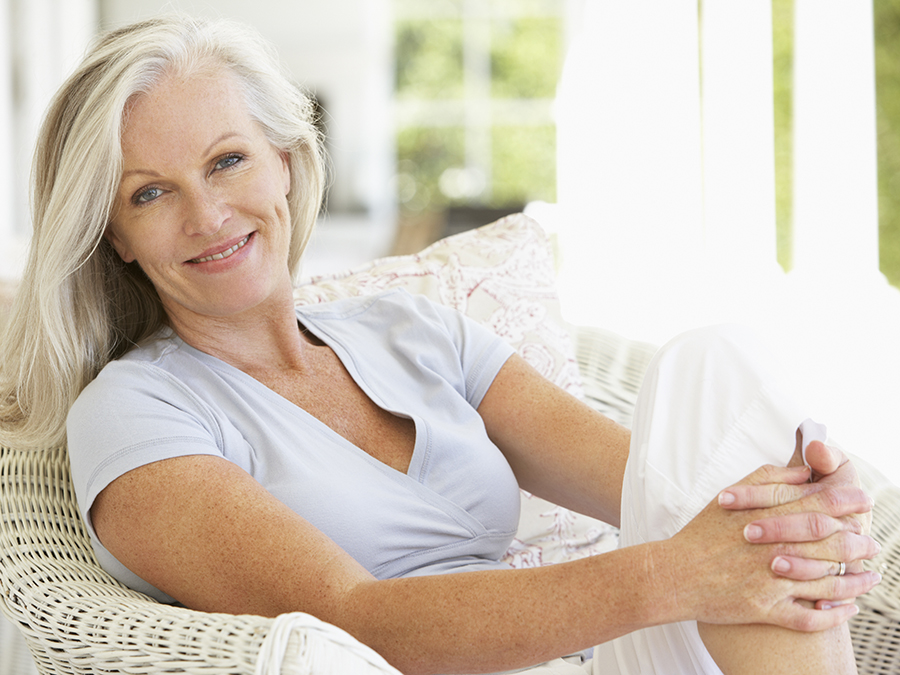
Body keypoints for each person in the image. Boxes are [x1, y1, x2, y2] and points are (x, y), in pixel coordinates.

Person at [0, 14, 881, 675]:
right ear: (114, 235)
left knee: (710, 365)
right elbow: (360, 618)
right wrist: (677, 577)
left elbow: (673, 488)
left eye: (228, 161)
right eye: (151, 194)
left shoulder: (410, 329)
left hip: (595, 659)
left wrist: (807, 505)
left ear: (286, 162)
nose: (207, 215)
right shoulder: (134, 410)